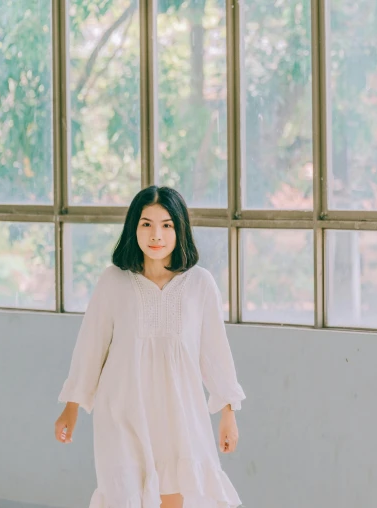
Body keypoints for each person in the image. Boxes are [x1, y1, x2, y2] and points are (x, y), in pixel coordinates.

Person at [54, 186, 246, 508]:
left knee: (174, 497)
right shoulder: (114, 281)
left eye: (166, 225)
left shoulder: (200, 284)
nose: (156, 234)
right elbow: (90, 347)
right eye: (146, 224)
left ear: (180, 229)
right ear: (134, 227)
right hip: (122, 411)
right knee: (125, 496)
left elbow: (215, 354)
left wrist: (228, 414)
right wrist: (71, 408)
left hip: (179, 414)